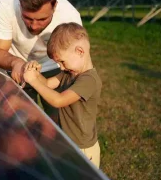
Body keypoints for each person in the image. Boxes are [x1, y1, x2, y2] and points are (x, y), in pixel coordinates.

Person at [0, 0, 82, 123]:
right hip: (17, 71)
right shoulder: (6, 4)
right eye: (27, 18)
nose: (34, 26)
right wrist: (16, 63)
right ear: (20, 4)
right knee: (20, 125)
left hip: (56, 69)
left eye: (41, 19)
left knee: (60, 123)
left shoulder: (69, 17)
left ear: (55, 6)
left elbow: (76, 64)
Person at [23, 22, 102, 168]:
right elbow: (47, 84)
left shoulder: (88, 80)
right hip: (70, 141)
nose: (60, 67)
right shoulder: (68, 73)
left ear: (79, 51)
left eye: (62, 61)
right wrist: (35, 72)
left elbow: (59, 100)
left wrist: (33, 81)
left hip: (83, 147)